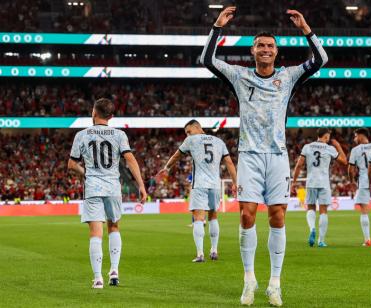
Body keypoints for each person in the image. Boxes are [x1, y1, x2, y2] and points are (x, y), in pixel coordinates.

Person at [200, 6, 328, 306]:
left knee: (278, 216)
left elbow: (321, 60)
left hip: (278, 156)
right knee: (246, 215)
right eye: (261, 45)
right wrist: (217, 27)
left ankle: (274, 283)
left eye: (270, 46)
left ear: (277, 52)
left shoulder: (290, 76)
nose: (266, 49)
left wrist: (306, 28)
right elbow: (206, 60)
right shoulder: (239, 76)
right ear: (253, 51)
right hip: (249, 156)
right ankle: (248, 281)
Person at [68, 98, 147, 289]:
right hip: (112, 186)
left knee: (96, 232)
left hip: (93, 186)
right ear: (111, 116)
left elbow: (71, 165)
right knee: (114, 227)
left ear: (93, 112)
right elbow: (131, 160)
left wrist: (85, 172)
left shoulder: (81, 135)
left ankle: (97, 278)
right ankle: (114, 271)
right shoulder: (119, 135)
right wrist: (141, 186)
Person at [156, 120, 237, 262]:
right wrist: (235, 182)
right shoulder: (219, 141)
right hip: (215, 185)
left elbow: (176, 155)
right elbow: (229, 162)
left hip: (199, 184)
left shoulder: (191, 140)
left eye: (188, 131)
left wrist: (166, 168)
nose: (187, 134)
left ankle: (200, 254)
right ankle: (214, 250)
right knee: (213, 216)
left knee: (198, 218)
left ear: (197, 127)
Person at [292, 128, 346, 247]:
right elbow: (344, 161)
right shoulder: (330, 148)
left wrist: (294, 182)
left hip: (311, 181)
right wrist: (338, 146)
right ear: (326, 136)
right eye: (328, 137)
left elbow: (299, 164)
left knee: (310, 208)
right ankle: (321, 241)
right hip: (324, 183)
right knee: (323, 211)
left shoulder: (307, 147)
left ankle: (312, 229)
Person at [348, 128, 371, 246]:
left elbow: (351, 169)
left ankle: (367, 240)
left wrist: (351, 182)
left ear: (361, 136)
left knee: (364, 211)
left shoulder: (355, 150)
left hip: (364, 181)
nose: (354, 139)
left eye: (356, 136)